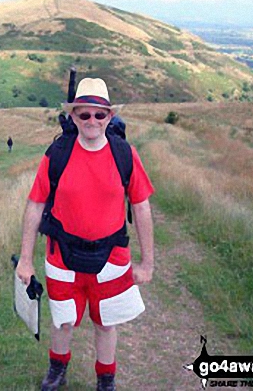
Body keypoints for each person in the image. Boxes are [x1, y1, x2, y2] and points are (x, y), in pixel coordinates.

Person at [16, 78, 155, 391]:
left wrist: (147, 263)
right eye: (84, 115)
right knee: (62, 321)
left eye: (99, 115)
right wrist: (26, 260)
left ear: (109, 117)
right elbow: (35, 205)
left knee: (106, 323)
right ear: (73, 116)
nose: (92, 121)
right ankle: (57, 370)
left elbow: (142, 207)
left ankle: (106, 380)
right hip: (61, 256)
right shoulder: (58, 153)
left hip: (113, 257)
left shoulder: (125, 154)